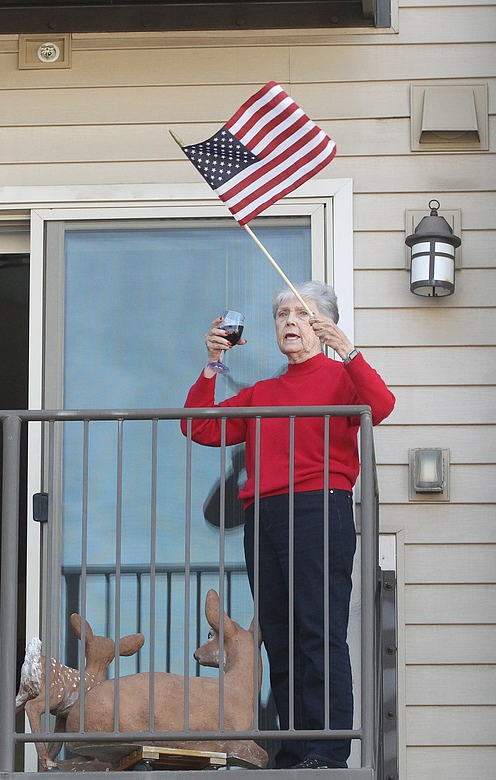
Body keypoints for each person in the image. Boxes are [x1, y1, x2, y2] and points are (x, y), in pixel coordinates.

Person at [182, 281, 394, 770]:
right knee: (279, 636)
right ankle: (296, 751)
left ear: (322, 325)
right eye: (281, 315)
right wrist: (212, 364)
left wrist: (348, 350)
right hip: (265, 515)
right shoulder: (263, 394)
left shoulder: (342, 380)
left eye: (302, 313)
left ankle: (327, 751)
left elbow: (380, 406)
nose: (290, 322)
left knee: (318, 631)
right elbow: (200, 426)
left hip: (321, 508)